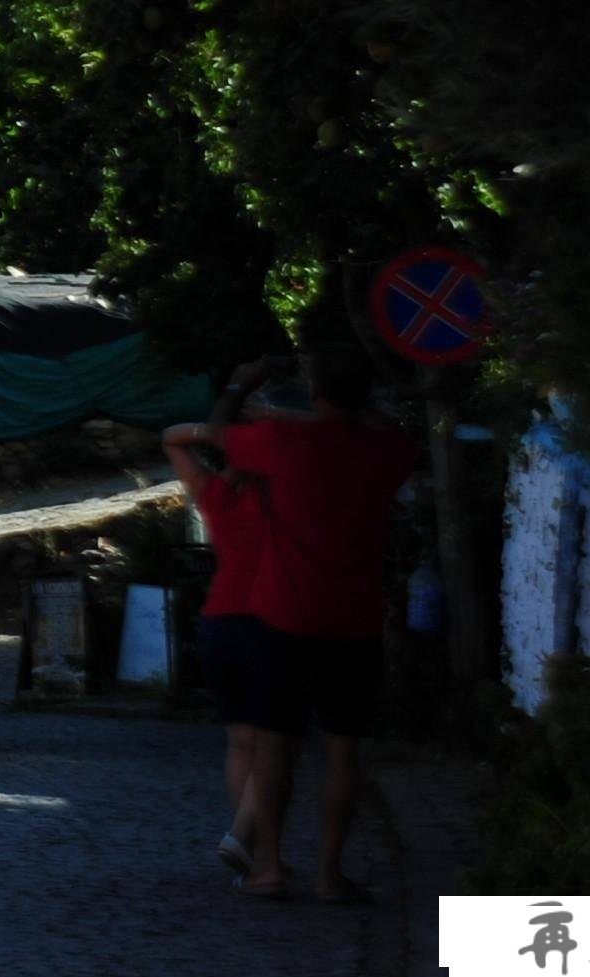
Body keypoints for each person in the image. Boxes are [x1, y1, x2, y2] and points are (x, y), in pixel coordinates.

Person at [210, 346, 419, 903]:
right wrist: (355, 404)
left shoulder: (285, 443)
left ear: (316, 392)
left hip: (281, 615)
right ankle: (330, 874)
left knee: (274, 746)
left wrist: (239, 384)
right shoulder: (387, 452)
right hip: (355, 620)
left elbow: (218, 433)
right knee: (343, 751)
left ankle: (270, 868)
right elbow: (390, 433)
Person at [162, 366, 289, 885]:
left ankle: (252, 853)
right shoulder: (282, 495)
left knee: (240, 741)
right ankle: (244, 840)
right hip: (267, 620)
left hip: (218, 622)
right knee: (273, 741)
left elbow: (171, 438)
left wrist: (213, 430)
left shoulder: (214, 493)